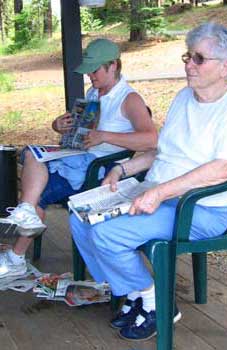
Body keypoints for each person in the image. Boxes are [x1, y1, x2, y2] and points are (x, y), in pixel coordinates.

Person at [69, 22, 227, 341]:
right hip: (156, 192)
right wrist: (124, 170)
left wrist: (159, 192)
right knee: (80, 220)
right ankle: (137, 292)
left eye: (198, 58)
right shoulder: (184, 98)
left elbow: (222, 169)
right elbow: (161, 152)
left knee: (108, 235)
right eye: (187, 56)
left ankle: (155, 302)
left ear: (225, 67)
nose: (188, 65)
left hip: (198, 208)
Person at [0, 38, 157, 278]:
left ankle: (16, 256)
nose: (90, 76)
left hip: (98, 171)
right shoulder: (93, 92)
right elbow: (81, 130)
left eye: (94, 70)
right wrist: (60, 125)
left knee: (36, 193)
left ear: (113, 65)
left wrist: (104, 136)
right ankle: (24, 220)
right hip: (77, 158)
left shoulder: (129, 99)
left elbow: (151, 140)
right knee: (32, 154)